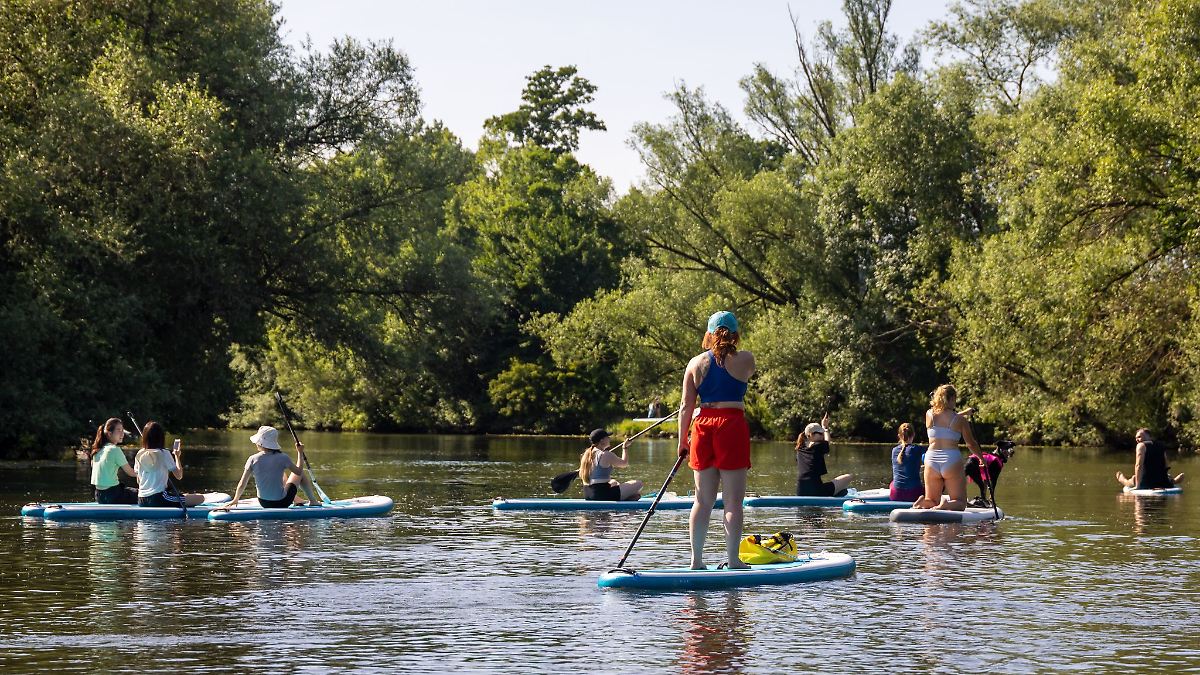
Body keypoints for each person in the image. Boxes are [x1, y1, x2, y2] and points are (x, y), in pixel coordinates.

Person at [679, 310, 754, 570]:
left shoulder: (695, 363)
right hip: (731, 426)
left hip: (702, 427)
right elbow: (742, 375)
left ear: (709, 334)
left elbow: (685, 407)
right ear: (735, 334)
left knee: (702, 501)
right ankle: (733, 560)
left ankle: (696, 561)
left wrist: (682, 441)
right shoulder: (746, 359)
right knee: (733, 502)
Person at [913, 385, 986, 511]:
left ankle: (923, 502)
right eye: (955, 399)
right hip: (951, 459)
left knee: (932, 501)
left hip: (931, 460)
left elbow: (944, 418)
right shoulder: (961, 420)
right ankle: (946, 504)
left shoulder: (929, 414)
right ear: (951, 398)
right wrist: (981, 458)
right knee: (960, 503)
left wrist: (963, 413)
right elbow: (971, 443)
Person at [216, 426, 321, 510]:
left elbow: (242, 483)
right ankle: (313, 501)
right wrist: (300, 453)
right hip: (282, 503)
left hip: (264, 503)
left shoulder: (252, 459)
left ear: (261, 442)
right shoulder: (283, 457)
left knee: (283, 474)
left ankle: (297, 500)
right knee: (300, 473)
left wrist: (235, 499)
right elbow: (298, 472)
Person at [133, 421, 206, 507]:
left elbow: (138, 480)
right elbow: (179, 476)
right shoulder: (164, 453)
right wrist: (177, 456)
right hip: (159, 498)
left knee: (181, 496)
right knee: (200, 498)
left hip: (141, 500)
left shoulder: (139, 453)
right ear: (161, 438)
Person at [795, 413, 853, 497]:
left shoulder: (799, 449)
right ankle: (837, 494)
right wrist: (825, 427)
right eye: (820, 433)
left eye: (823, 433)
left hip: (800, 491)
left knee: (839, 488)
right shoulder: (817, 446)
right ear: (811, 434)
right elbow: (828, 441)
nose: (822, 436)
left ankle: (837, 493)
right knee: (849, 476)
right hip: (816, 491)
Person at [578, 429, 643, 501]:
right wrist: (625, 447)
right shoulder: (605, 454)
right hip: (602, 495)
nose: (609, 439)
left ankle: (626, 498)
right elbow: (624, 464)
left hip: (588, 494)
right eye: (607, 437)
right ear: (602, 440)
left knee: (614, 482)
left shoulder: (586, 455)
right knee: (638, 483)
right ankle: (624, 498)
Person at [1116, 428, 1185, 490]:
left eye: (1139, 437)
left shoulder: (1141, 445)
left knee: (1132, 479)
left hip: (1146, 483)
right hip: (1164, 483)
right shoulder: (1160, 445)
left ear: (1149, 436)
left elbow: (1138, 465)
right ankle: (1172, 481)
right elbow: (1166, 465)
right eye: (1136, 438)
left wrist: (1138, 486)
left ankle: (1122, 479)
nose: (1137, 439)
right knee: (1167, 476)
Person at [90, 417, 138, 504]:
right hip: (113, 495)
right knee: (141, 494)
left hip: (99, 496)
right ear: (109, 433)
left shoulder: (96, 450)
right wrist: (146, 474)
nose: (122, 434)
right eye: (118, 430)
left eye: (122, 430)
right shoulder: (114, 449)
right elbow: (131, 472)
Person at [889, 423, 924, 502]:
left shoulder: (894, 450)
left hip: (895, 495)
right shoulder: (917, 449)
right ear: (914, 435)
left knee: (892, 483)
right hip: (914, 495)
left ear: (899, 436)